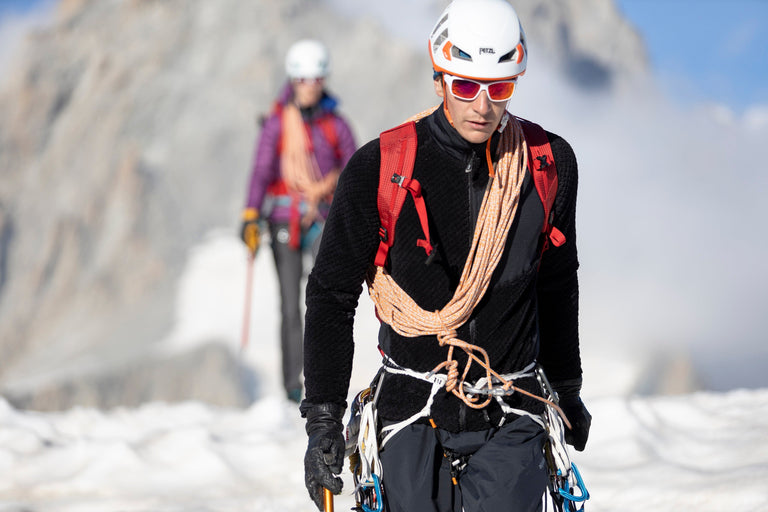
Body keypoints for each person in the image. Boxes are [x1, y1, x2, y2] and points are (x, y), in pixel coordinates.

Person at [300, 0, 591, 510]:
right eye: (465, 85)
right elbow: (331, 292)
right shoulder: (379, 169)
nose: (482, 105)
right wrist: (323, 417)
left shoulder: (547, 165)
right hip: (411, 406)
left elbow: (556, 282)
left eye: (498, 87)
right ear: (439, 79)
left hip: (511, 403)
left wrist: (566, 386)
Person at [240, 39, 357, 404]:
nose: (309, 86)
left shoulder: (335, 125)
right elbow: (261, 170)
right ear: (293, 80)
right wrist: (249, 215)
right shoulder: (276, 125)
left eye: (315, 78)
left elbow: (354, 168)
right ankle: (293, 385)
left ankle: (323, 380)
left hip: (321, 216)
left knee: (323, 298)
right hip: (281, 218)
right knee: (290, 305)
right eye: (303, 79)